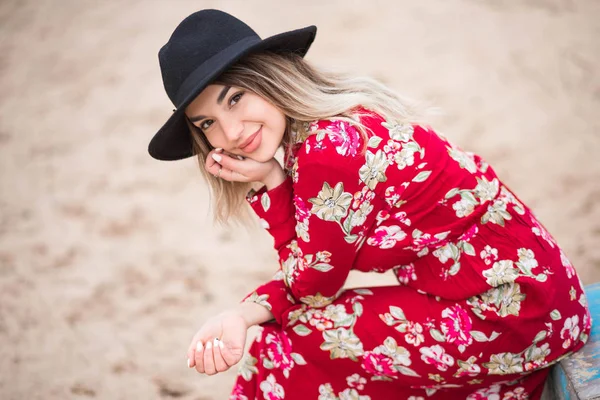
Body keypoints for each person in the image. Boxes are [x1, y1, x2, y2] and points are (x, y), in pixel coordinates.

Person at [149, 9, 592, 400]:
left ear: (269, 77)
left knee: (287, 342)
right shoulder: (328, 129)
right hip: (529, 294)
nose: (229, 133)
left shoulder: (329, 148)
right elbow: (314, 270)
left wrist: (271, 184)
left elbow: (314, 287)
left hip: (512, 310)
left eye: (235, 97)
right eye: (207, 122)